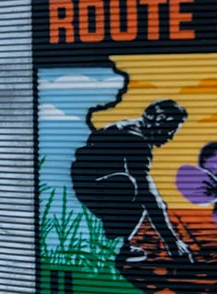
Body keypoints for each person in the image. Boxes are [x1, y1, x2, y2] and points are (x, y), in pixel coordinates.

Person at [70, 99, 193, 267]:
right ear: (159, 119)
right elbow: (147, 191)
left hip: (94, 182)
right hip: (92, 185)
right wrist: (172, 243)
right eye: (171, 130)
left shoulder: (133, 130)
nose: (170, 137)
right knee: (131, 187)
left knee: (136, 193)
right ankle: (112, 244)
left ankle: (119, 245)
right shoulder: (135, 139)